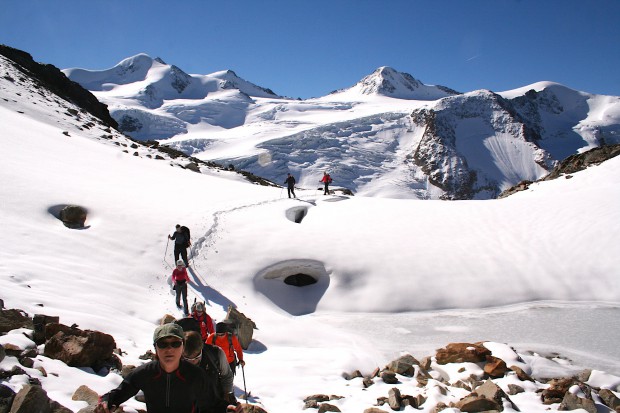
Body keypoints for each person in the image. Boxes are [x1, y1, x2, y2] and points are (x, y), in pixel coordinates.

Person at [95, 323, 209, 413]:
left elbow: (213, 405)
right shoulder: (145, 373)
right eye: (163, 344)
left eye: (175, 344)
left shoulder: (196, 375)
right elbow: (120, 393)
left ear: (183, 346)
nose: (169, 349)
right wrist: (106, 401)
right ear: (155, 348)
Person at [184, 331, 236, 413]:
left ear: (201, 349)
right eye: (187, 359)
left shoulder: (216, 354)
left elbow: (226, 375)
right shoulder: (176, 359)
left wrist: (226, 394)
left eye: (196, 357)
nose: (193, 362)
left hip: (215, 405)